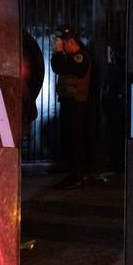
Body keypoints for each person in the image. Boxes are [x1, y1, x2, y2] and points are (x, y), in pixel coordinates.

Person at [51, 25, 92, 189]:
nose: (61, 46)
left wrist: (60, 53)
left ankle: (77, 177)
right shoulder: (68, 57)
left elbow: (63, 68)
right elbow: (56, 67)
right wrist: (58, 53)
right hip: (68, 103)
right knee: (68, 140)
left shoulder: (81, 57)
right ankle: (71, 175)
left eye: (63, 43)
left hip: (77, 104)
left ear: (71, 41)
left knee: (75, 141)